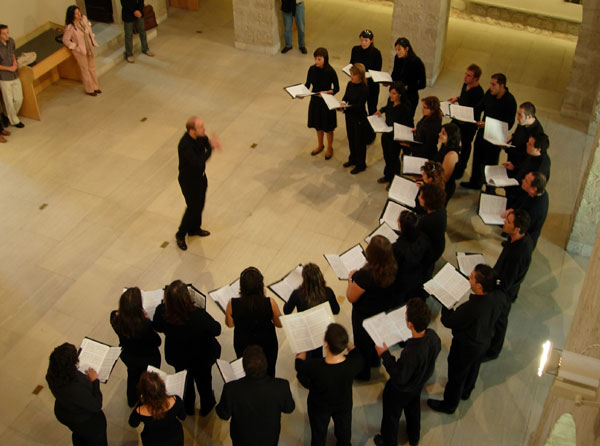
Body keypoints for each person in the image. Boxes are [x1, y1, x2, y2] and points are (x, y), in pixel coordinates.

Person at [427, 265, 506, 414]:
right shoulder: (498, 297)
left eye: (471, 277)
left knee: (456, 374)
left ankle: (449, 404)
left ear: (479, 286)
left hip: (466, 346)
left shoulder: (473, 307)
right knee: (474, 367)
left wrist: (446, 303)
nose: (468, 279)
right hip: (484, 341)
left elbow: (449, 321)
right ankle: (467, 390)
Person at [373, 298, 441, 446]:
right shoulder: (433, 337)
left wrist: (384, 354)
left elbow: (399, 376)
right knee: (413, 408)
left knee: (391, 415)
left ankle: (388, 441)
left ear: (410, 324)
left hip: (401, 390)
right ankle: (414, 436)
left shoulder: (412, 352)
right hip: (418, 384)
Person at [153, 280, 222, 416]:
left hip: (178, 357)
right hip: (201, 358)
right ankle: (206, 405)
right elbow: (217, 329)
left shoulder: (162, 312)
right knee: (204, 383)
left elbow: (157, 326)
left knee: (186, 383)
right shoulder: (198, 315)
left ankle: (188, 407)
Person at [295, 323, 364, 446]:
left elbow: (299, 365)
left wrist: (303, 345)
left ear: (325, 344)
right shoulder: (353, 364)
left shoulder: (315, 366)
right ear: (344, 344)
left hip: (319, 406)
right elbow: (356, 352)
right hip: (343, 403)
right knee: (344, 433)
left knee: (318, 434)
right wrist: (346, 341)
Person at [216, 345, 295, 446]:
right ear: (266, 365)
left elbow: (223, 414)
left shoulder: (231, 388)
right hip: (269, 438)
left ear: (244, 367)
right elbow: (289, 408)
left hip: (242, 439)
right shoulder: (281, 386)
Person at [346, 235, 398, 380]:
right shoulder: (393, 267)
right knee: (375, 337)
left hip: (364, 315)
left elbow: (351, 297)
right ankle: (375, 360)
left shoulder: (366, 275)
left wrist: (351, 279)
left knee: (362, 344)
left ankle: (363, 373)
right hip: (381, 311)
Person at [485, 210, 534, 360]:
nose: (504, 222)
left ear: (517, 229)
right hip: (503, 282)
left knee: (500, 320)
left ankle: (493, 351)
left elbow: (506, 281)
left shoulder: (518, 255)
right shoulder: (521, 239)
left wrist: (489, 282)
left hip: (505, 292)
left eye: (508, 221)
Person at [461, 73, 517, 189]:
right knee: (477, 158)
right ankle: (475, 182)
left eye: (493, 84)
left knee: (490, 163)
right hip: (482, 134)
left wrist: (488, 124)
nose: (490, 87)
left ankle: (489, 189)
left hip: (495, 139)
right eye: (490, 84)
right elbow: (479, 107)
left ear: (502, 86)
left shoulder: (510, 101)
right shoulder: (489, 93)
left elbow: (509, 124)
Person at [46, 343, 107, 446]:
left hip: (65, 413)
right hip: (84, 421)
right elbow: (96, 405)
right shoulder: (75, 389)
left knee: (79, 435)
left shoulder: (51, 375)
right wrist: (95, 381)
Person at [226, 266, 282, 377]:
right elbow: (279, 324)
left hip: (243, 344)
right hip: (267, 343)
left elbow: (230, 324)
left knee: (246, 370)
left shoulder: (232, 303)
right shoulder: (270, 302)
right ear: (260, 285)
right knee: (269, 370)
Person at [175, 116, 221, 251]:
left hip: (200, 178)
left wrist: (211, 145)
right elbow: (198, 162)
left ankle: (195, 229)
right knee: (192, 208)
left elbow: (207, 142)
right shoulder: (184, 145)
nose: (204, 129)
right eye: (201, 127)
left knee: (200, 205)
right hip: (189, 182)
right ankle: (180, 234)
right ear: (192, 131)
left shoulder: (200, 137)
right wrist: (211, 149)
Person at [110, 287, 161, 407]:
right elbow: (157, 341)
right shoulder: (145, 325)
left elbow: (117, 315)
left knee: (132, 375)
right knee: (148, 380)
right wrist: (148, 320)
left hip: (128, 356)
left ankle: (132, 399)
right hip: (147, 358)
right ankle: (147, 400)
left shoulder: (114, 318)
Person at [284, 263, 340, 358]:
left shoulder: (297, 294)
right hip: (321, 329)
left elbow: (286, 311)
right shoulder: (328, 292)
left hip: (305, 330)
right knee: (317, 352)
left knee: (307, 354)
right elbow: (336, 310)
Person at [128, 371, 186, 446]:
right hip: (175, 437)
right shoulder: (175, 400)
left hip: (153, 441)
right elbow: (183, 417)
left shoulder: (140, 410)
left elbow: (133, 423)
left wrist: (141, 402)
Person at [447, 64, 484, 176]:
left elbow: (476, 110)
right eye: (465, 74)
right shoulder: (465, 85)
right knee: (449, 134)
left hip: (468, 124)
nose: (465, 77)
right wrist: (457, 99)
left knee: (466, 144)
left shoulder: (479, 93)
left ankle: (461, 167)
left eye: (469, 76)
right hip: (458, 119)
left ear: (475, 79)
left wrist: (465, 119)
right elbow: (464, 98)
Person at [375, 82, 414, 185]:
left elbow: (408, 125)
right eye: (390, 93)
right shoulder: (390, 101)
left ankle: (394, 180)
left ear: (400, 94)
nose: (390, 96)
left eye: (393, 93)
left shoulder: (405, 108)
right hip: (386, 134)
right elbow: (387, 107)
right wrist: (380, 111)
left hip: (396, 138)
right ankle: (388, 175)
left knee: (394, 159)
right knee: (387, 156)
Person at [391, 210, 432, 307]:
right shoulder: (424, 238)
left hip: (405, 283)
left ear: (401, 226)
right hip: (422, 277)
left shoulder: (397, 248)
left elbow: (394, 269)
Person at [305, 47, 339, 160]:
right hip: (315, 101)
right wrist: (301, 93)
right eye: (315, 59)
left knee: (328, 127)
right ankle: (320, 145)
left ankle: (329, 147)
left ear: (325, 59)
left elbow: (336, 88)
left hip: (326, 101)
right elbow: (307, 85)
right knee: (317, 125)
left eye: (319, 59)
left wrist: (327, 92)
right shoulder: (312, 69)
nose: (316, 62)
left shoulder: (330, 71)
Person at [62, 6, 101, 96]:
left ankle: (95, 87)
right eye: (76, 13)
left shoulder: (84, 19)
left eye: (79, 12)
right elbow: (65, 40)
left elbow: (88, 30)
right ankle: (89, 89)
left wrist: (91, 37)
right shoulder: (70, 27)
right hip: (80, 51)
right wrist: (75, 46)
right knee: (85, 70)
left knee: (92, 68)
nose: (79, 14)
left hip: (89, 48)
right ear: (72, 15)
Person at [504, 171, 549, 248]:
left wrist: (511, 217)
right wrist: (513, 209)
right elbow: (523, 202)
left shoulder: (536, 208)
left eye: (526, 181)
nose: (522, 180)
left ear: (534, 189)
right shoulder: (536, 192)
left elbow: (522, 228)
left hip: (522, 242)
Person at [340, 63, 369, 174]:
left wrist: (345, 109)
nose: (351, 76)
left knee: (359, 142)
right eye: (351, 74)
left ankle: (361, 164)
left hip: (359, 119)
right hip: (349, 117)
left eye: (353, 75)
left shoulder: (364, 88)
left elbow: (359, 106)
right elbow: (345, 97)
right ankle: (352, 159)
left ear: (360, 76)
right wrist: (342, 103)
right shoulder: (350, 84)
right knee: (351, 138)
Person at [417, 183, 447, 280]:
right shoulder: (441, 208)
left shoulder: (426, 221)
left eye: (421, 196)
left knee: (425, 270)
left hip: (430, 251)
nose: (418, 197)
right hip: (439, 244)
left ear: (427, 201)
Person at [391, 37, 426, 119]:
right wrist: (389, 81)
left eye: (399, 50)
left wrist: (408, 87)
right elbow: (394, 74)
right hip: (397, 94)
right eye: (396, 49)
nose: (397, 52)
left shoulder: (417, 62)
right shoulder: (397, 58)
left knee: (406, 119)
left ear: (407, 49)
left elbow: (422, 84)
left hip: (410, 97)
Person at [349, 29, 382, 115]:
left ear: (371, 41)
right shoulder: (355, 50)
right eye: (362, 40)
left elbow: (377, 71)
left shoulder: (376, 53)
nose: (363, 43)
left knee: (372, 108)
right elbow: (352, 64)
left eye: (366, 40)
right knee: (357, 107)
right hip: (358, 84)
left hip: (371, 85)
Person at [504, 101, 544, 167]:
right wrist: (511, 137)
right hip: (511, 158)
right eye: (517, 114)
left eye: (520, 115)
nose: (517, 117)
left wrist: (505, 148)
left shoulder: (537, 133)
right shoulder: (523, 122)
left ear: (529, 117)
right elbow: (516, 134)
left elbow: (527, 156)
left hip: (518, 165)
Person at [0, 25, 24, 128]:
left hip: (14, 74)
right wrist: (8, 68)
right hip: (4, 77)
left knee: (19, 98)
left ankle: (7, 115)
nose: (7, 35)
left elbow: (12, 53)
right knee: (8, 101)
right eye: (4, 33)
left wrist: (14, 63)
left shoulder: (11, 41)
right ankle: (14, 120)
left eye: (7, 32)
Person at [434, 123, 462, 204]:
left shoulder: (451, 155)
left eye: (443, 133)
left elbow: (444, 179)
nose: (439, 134)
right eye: (440, 131)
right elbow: (436, 164)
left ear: (451, 137)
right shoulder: (444, 145)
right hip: (435, 181)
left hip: (443, 189)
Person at [411, 96, 442, 160]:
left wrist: (409, 145)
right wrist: (418, 130)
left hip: (425, 156)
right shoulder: (427, 116)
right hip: (419, 150)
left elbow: (427, 147)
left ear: (432, 110)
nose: (422, 109)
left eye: (425, 107)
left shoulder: (433, 125)